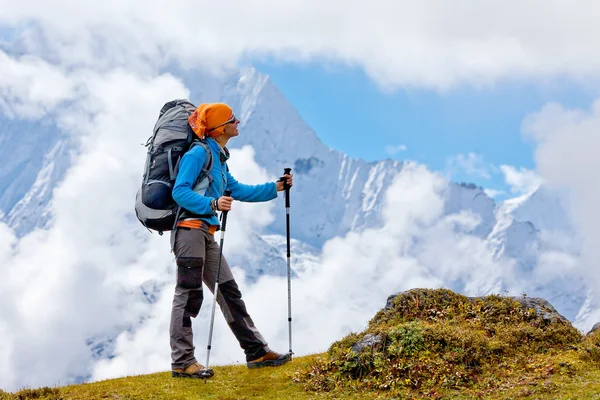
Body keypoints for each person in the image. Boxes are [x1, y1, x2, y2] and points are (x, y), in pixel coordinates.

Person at [169, 102, 293, 379]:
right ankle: (182, 362)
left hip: (206, 234)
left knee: (229, 292)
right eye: (233, 119)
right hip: (189, 231)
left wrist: (277, 187)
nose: (238, 123)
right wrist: (212, 203)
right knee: (188, 294)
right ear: (219, 127)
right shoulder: (198, 154)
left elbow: (238, 190)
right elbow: (180, 192)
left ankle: (256, 351)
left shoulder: (219, 158)